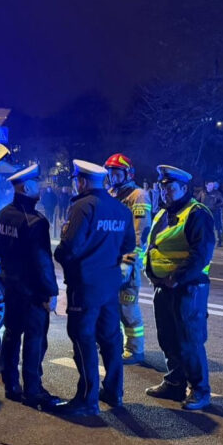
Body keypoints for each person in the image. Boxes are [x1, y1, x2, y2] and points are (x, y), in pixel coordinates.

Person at [53, 160, 135, 417]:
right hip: (110, 284)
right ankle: (113, 391)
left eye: (76, 179)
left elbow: (71, 247)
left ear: (82, 181)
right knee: (110, 339)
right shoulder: (120, 209)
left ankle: (87, 398)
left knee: (82, 337)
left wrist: (60, 254)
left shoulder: (82, 207)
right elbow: (127, 245)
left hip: (85, 284)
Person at [0, 165, 66, 411]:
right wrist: (50, 293)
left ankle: (11, 384)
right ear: (26, 187)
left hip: (10, 288)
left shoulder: (2, 215)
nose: (41, 187)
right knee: (35, 340)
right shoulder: (35, 221)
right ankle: (33, 390)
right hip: (32, 292)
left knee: (12, 335)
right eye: (37, 183)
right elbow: (42, 261)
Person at [145, 165, 216, 411]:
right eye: (162, 188)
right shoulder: (163, 213)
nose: (165, 192)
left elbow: (201, 255)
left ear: (184, 188)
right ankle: (175, 382)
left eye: (170, 188)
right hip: (164, 287)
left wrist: (176, 277)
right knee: (168, 337)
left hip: (188, 288)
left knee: (190, 340)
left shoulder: (197, 213)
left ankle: (199, 390)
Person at [104, 153, 152, 366]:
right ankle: (112, 342)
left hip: (127, 263)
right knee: (109, 305)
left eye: (117, 173)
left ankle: (135, 349)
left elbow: (140, 232)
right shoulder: (110, 194)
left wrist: (129, 261)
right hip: (109, 261)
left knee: (127, 307)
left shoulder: (138, 196)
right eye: (111, 173)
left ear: (128, 173)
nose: (113, 177)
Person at [202, 181, 223, 246]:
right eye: (209, 185)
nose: (211, 186)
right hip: (205, 211)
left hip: (215, 212)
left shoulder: (217, 193)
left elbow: (222, 202)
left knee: (216, 226)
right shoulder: (203, 193)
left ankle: (218, 241)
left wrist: (216, 206)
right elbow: (197, 200)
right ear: (206, 185)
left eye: (212, 185)